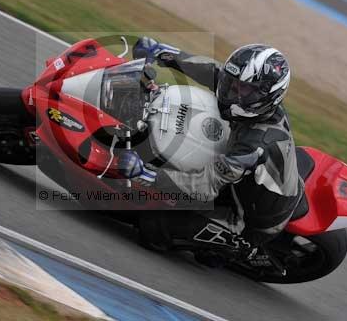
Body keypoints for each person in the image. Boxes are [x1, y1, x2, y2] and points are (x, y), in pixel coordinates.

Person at [123, 36, 304, 256]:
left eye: (243, 89)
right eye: (233, 84)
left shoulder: (255, 146)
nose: (232, 92)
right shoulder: (253, 99)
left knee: (154, 224)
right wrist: (165, 54)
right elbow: (214, 71)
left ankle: (227, 252)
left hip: (249, 219)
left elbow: (203, 187)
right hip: (241, 178)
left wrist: (146, 174)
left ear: (266, 95)